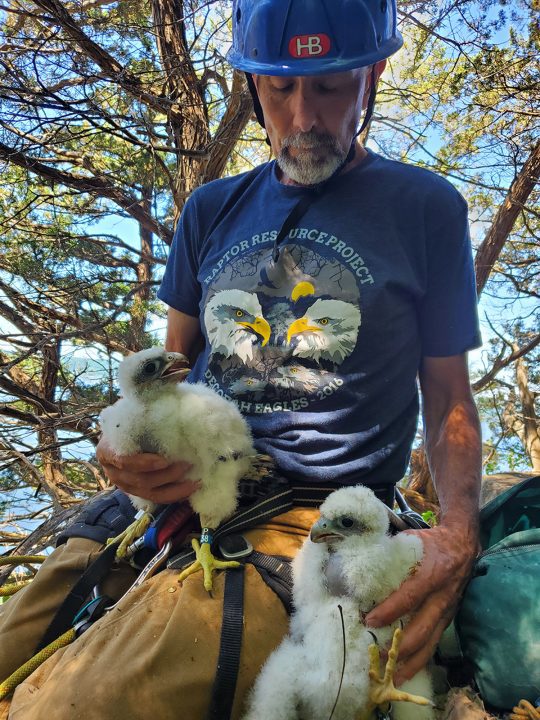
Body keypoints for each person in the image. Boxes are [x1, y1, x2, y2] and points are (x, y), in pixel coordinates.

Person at [0, 0, 482, 717]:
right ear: (253, 86)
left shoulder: (424, 207)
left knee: (70, 710)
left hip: (306, 519)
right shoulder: (211, 209)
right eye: (280, 88)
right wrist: (121, 452)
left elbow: (448, 397)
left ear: (374, 72)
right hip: (165, 504)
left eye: (328, 86)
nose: (303, 117)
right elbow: (164, 376)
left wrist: (457, 533)